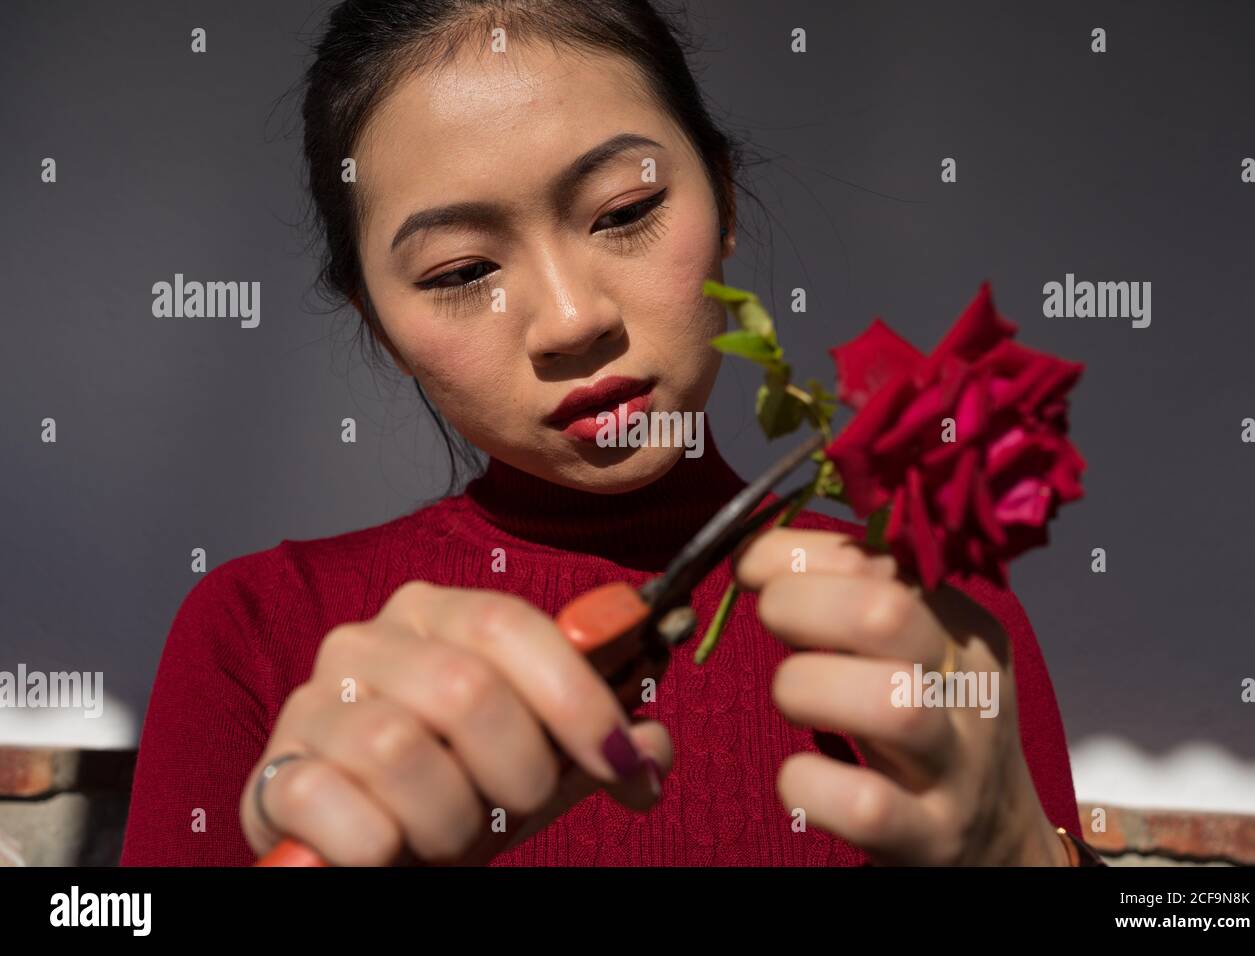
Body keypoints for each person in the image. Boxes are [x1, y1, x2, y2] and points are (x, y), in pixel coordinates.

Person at [119, 0, 1089, 867]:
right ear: (378, 322)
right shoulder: (257, 629)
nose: (572, 317)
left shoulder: (924, 623)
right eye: (460, 271)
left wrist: (1019, 855)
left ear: (723, 195)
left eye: (625, 211)